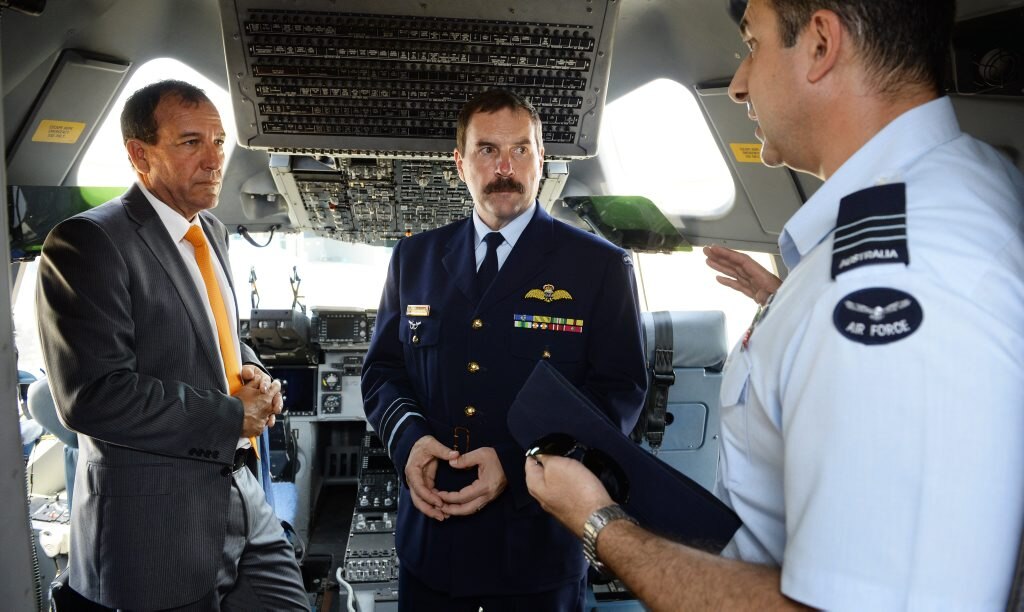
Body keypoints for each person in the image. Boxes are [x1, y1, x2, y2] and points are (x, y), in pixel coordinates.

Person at [526, 0, 1024, 609]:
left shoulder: (894, 280)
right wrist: (794, 309)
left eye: (752, 45)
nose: (737, 84)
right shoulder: (957, 184)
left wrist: (601, 525)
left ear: (820, 44)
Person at [361, 88, 648, 610]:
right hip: (431, 547)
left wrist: (517, 466)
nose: (505, 167)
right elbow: (383, 372)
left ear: (543, 159)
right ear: (460, 162)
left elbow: (617, 395)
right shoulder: (414, 259)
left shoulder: (599, 268)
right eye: (487, 150)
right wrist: (409, 443)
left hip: (536, 552)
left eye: (521, 150)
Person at [36, 80, 309, 610]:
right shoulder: (89, 243)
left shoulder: (211, 229)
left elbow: (218, 339)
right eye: (191, 143)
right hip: (156, 523)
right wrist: (233, 416)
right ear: (140, 154)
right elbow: (92, 395)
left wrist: (253, 374)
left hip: (244, 493)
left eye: (219, 142)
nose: (214, 161)